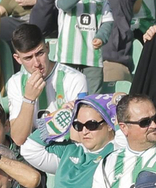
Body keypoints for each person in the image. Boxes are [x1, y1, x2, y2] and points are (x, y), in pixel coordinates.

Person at [7, 27, 93, 161]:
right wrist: (29, 99)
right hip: (31, 152)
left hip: (68, 149)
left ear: (47, 47)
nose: (37, 63)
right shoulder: (15, 82)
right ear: (17, 59)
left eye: (40, 53)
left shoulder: (74, 78)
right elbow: (18, 139)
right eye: (28, 58)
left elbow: (79, 135)